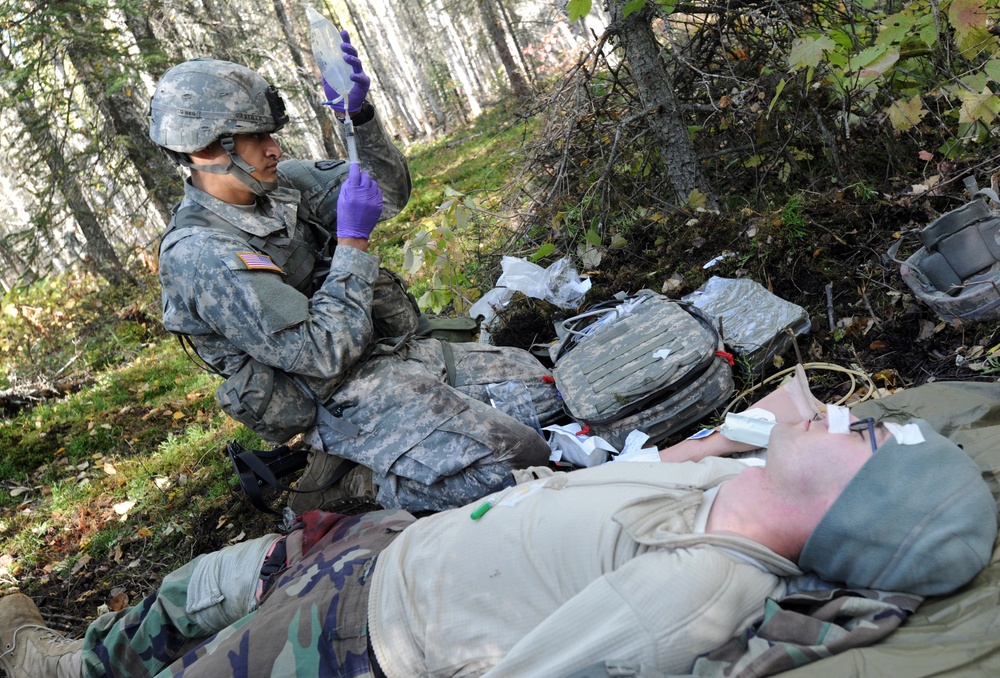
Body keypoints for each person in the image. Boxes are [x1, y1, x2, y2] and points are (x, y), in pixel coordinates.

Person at [1, 407, 994, 677]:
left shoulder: (689, 597)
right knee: (196, 589)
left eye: (862, 435)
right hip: (396, 548)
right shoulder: (736, 482)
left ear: (851, 513)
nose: (842, 412)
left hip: (364, 631)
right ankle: (60, 661)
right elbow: (780, 423)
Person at [148, 39, 562, 514]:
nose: (273, 149)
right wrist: (351, 243)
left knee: (544, 393)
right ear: (205, 149)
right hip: (335, 395)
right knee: (513, 466)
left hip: (387, 351)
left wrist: (359, 118)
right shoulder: (203, 255)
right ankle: (349, 486)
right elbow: (321, 355)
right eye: (256, 138)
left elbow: (386, 194)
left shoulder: (278, 186)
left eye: (271, 134)